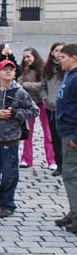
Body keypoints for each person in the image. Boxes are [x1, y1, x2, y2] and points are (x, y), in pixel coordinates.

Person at [0, 59, 38, 218]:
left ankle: (7, 203)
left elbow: (34, 111)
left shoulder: (20, 92)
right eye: (5, 69)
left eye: (11, 69)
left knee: (10, 174)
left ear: (15, 73)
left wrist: (16, 114)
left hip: (10, 141)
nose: (8, 72)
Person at [18, 47, 56, 170]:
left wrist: (27, 85)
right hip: (29, 105)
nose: (26, 59)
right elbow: (18, 84)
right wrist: (24, 86)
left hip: (42, 103)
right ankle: (26, 159)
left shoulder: (44, 68)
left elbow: (43, 85)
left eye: (28, 56)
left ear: (35, 56)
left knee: (48, 133)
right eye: (24, 57)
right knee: (27, 133)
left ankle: (52, 160)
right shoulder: (23, 69)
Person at [54, 43, 77, 233]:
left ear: (74, 57)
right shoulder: (70, 75)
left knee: (71, 175)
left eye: (63, 58)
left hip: (72, 133)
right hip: (65, 130)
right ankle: (73, 211)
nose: (59, 61)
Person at [41, 42, 66, 177]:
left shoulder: (69, 68)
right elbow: (42, 87)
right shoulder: (47, 69)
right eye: (56, 50)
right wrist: (46, 99)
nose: (58, 53)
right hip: (51, 108)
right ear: (52, 53)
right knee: (55, 138)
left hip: (66, 108)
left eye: (61, 50)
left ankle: (69, 165)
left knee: (66, 137)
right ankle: (59, 165)